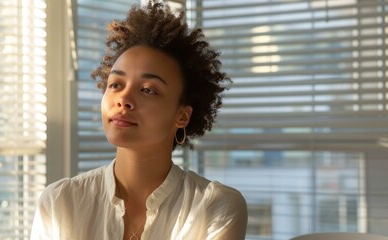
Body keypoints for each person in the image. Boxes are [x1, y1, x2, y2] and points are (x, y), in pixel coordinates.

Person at [30, 1, 248, 239]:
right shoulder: (59, 202)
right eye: (116, 84)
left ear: (182, 116)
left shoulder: (214, 206)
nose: (123, 99)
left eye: (148, 89)